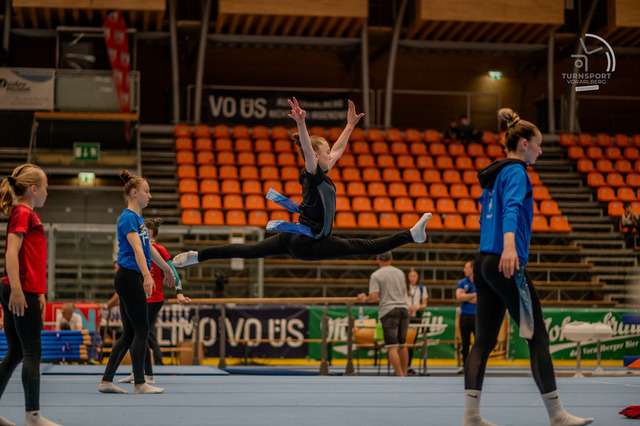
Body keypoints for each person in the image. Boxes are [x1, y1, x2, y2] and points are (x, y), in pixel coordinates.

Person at [173, 98, 432, 268]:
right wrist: (301, 123)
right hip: (309, 244)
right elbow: (308, 150)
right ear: (316, 157)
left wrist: (350, 125)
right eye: (326, 152)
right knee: (362, 246)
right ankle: (411, 235)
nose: (331, 154)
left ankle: (197, 256)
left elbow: (338, 150)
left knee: (249, 250)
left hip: (294, 236)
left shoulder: (321, 173)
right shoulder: (312, 172)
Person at [462, 108, 593, 426]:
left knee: (483, 342)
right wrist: (509, 245)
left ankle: (471, 416)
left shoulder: (494, 175)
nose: (541, 150)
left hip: (483, 262)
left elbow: (484, 218)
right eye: (539, 144)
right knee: (538, 337)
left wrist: (495, 247)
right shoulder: (517, 172)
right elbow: (511, 209)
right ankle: (557, 415)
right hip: (505, 261)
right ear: (523, 143)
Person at [98, 170, 175, 395]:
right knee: (142, 329)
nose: (150, 196)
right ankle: (140, 383)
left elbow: (149, 248)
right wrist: (148, 275)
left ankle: (106, 381)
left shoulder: (139, 220)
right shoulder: (128, 218)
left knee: (130, 333)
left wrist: (167, 269)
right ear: (134, 193)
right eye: (146, 191)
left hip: (130, 277)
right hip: (130, 277)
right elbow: (138, 249)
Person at [0, 164, 61, 426]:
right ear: (33, 189)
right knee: (32, 351)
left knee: (15, 352)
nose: (47, 192)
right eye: (45, 187)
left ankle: (31, 415)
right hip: (19, 290)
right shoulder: (23, 213)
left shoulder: (28, 214)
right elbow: (12, 252)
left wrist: (40, 292)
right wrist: (17, 289)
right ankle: (33, 417)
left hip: (24, 289)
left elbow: (33, 258)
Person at [118, 217, 190, 384]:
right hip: (139, 297)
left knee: (142, 334)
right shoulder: (138, 248)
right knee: (134, 334)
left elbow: (173, 272)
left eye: (144, 233)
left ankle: (147, 375)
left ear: (150, 234)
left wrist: (179, 293)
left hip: (154, 299)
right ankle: (137, 372)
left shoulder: (159, 250)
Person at [357, 252, 410, 377]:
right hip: (403, 308)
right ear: (391, 259)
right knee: (403, 345)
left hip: (389, 310)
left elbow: (374, 296)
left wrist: (364, 299)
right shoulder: (400, 273)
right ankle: (405, 374)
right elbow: (404, 292)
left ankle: (400, 376)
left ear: (378, 260)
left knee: (392, 346)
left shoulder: (376, 275)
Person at [406, 267, 427, 374]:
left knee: (411, 343)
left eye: (414, 276)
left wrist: (418, 307)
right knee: (403, 342)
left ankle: (408, 365)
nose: (412, 278)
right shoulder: (404, 287)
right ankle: (402, 365)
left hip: (416, 317)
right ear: (408, 277)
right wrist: (408, 306)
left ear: (417, 277)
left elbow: (424, 304)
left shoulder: (422, 288)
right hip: (405, 316)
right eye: (411, 276)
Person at [456, 261, 476, 369]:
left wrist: (466, 297)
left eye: (466, 267)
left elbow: (480, 299)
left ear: (472, 269)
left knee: (478, 343)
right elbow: (459, 297)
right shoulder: (462, 282)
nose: (464, 270)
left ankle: (477, 366)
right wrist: (474, 295)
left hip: (477, 316)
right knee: (465, 343)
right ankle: (465, 366)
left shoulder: (480, 282)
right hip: (465, 316)